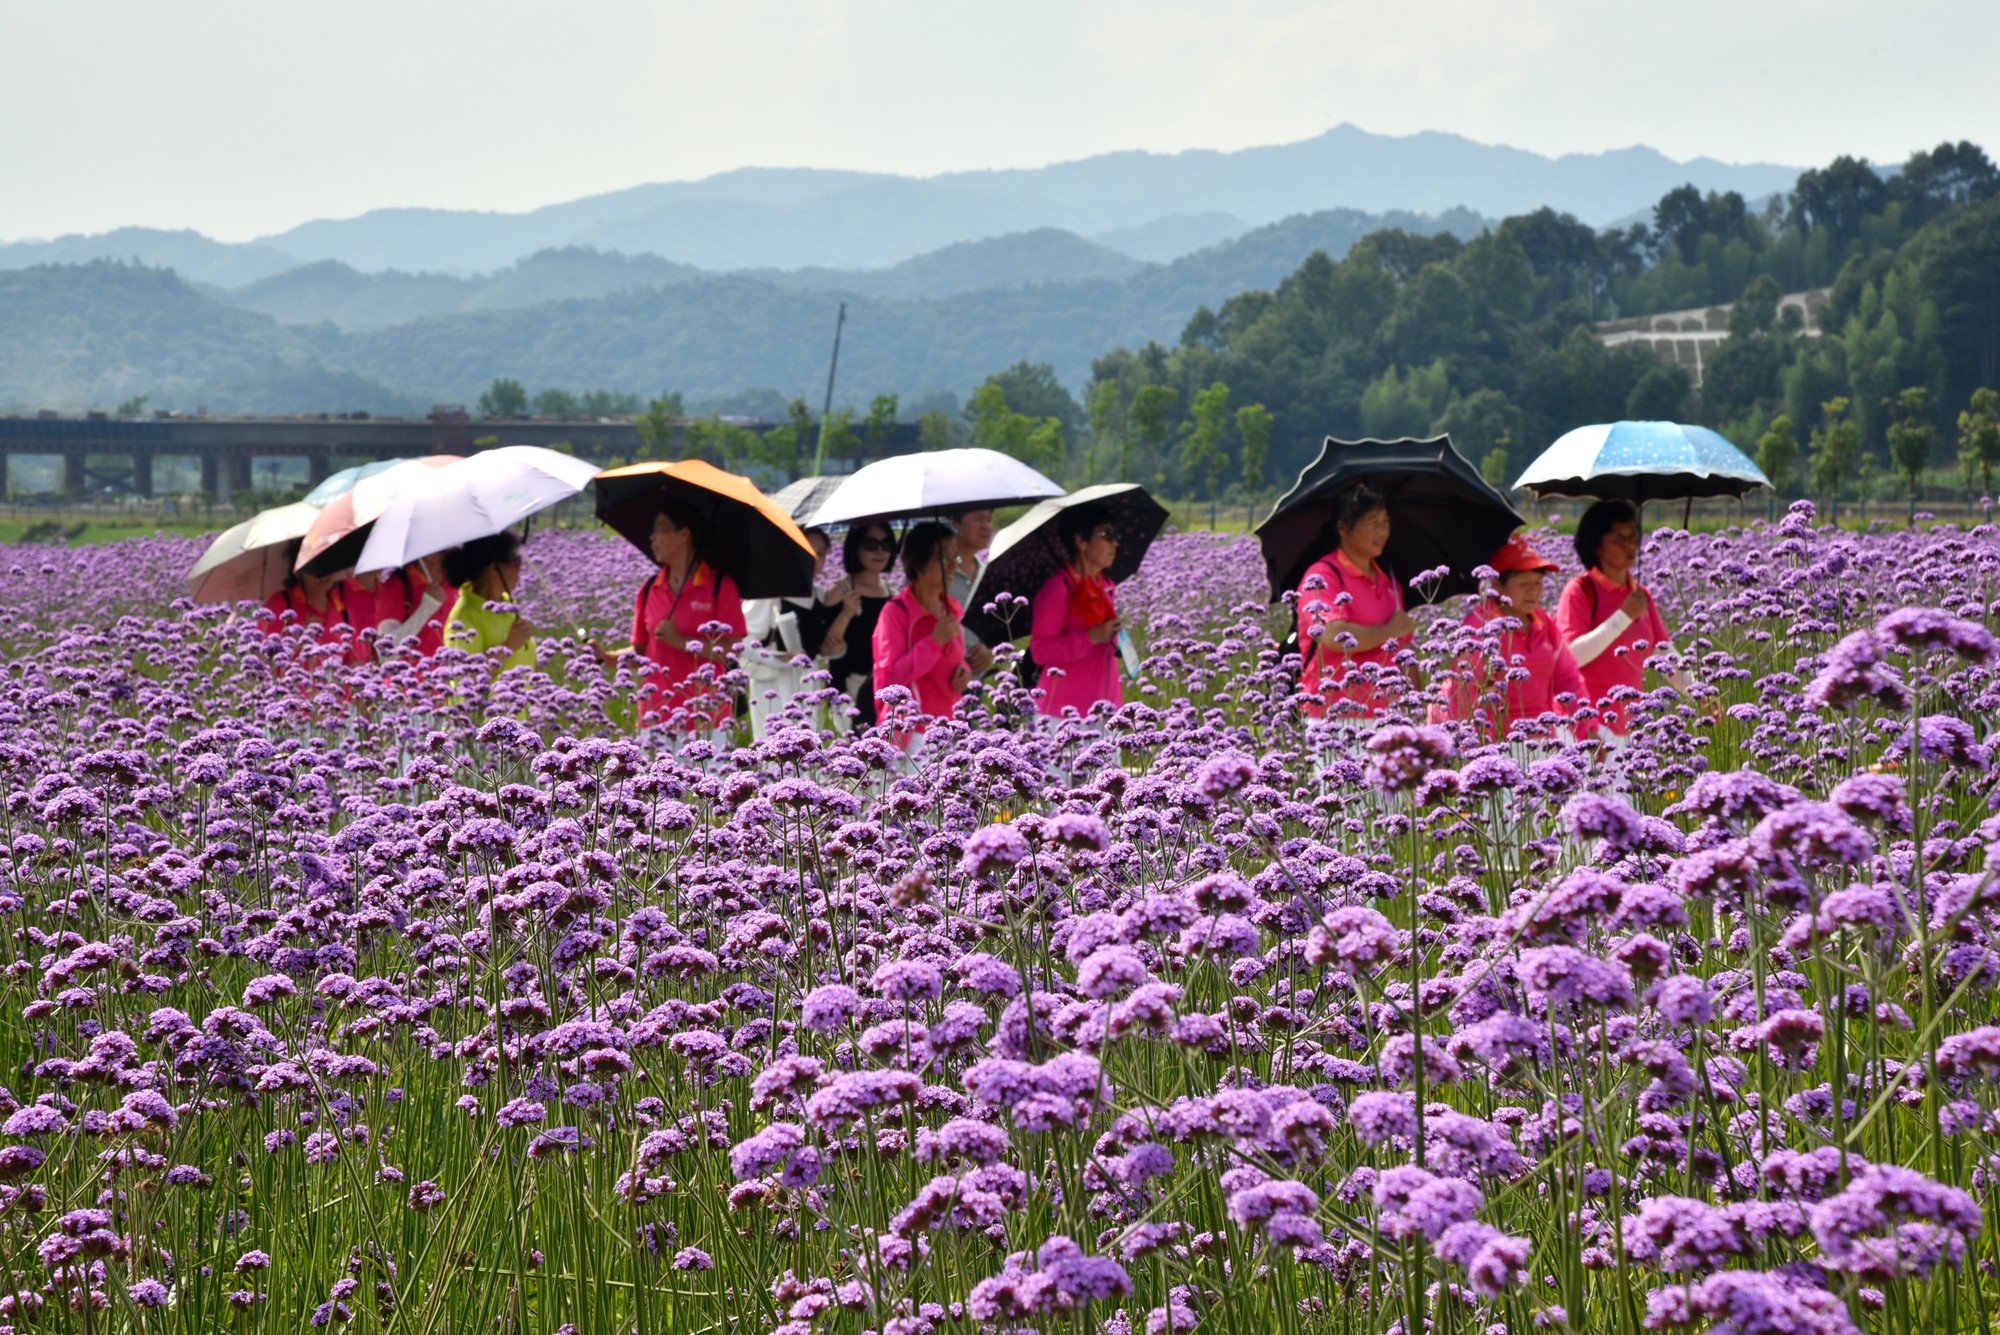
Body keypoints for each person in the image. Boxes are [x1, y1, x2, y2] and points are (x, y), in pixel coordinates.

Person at [1554, 499, 1705, 734]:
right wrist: (1623, 617)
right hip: (1584, 726)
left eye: (1634, 536)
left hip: (1630, 727)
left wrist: (1699, 693)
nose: (1630, 545)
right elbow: (1571, 656)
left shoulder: (1640, 595)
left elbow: (1663, 653)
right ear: (1596, 544)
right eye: (1620, 538)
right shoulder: (1580, 591)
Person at [615, 502, 746, 731]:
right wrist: (605, 657)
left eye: (661, 529)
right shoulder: (649, 588)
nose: (652, 537)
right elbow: (642, 652)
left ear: (684, 535)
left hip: (706, 718)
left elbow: (733, 651)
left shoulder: (720, 587)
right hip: (654, 716)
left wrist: (683, 642)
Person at [1295, 485, 1416, 719]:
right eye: (1373, 522)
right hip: (1331, 716)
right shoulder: (1322, 576)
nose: (1383, 531)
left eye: (1386, 521)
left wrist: (1416, 709)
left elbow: (1405, 652)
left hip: (1388, 714)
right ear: (1343, 528)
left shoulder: (1389, 582)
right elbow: (1333, 634)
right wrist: (1390, 630)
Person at [1448, 534, 1586, 738]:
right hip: (1496, 744)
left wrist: (1587, 729)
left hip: (1544, 741)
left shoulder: (1542, 620)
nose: (1534, 591)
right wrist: (1477, 747)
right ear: (1496, 585)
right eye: (1524, 584)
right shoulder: (1477, 628)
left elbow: (1567, 678)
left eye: (1538, 583)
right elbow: (1463, 696)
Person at [742, 527, 842, 736]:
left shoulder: (818, 594)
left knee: (808, 742)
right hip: (775, 684)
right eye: (807, 550)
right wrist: (778, 659)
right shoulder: (770, 592)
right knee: (774, 743)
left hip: (808, 682)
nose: (814, 559)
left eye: (821, 553)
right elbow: (743, 641)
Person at [1029, 503, 1124, 717]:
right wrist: (1091, 637)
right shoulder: (1058, 587)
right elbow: (1040, 651)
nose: (1114, 543)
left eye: (1114, 535)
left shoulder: (1107, 585)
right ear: (1081, 541)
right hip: (1063, 713)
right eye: (1105, 534)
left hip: (1106, 707)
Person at [873, 521, 970, 727]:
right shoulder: (896, 612)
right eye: (943, 557)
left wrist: (964, 670)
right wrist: (934, 643)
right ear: (918, 562)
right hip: (910, 730)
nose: (953, 566)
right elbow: (890, 678)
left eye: (955, 557)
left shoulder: (951, 608)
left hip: (950, 726)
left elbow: (955, 659)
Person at [822, 522, 897, 728]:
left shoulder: (890, 592)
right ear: (855, 547)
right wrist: (846, 613)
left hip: (883, 684)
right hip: (849, 687)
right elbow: (827, 646)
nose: (879, 552)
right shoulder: (839, 591)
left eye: (886, 545)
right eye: (870, 544)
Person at [443, 532, 535, 670]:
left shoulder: (508, 605)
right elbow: (465, 678)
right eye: (514, 560)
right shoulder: (463, 618)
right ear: (494, 568)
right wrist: (508, 646)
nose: (520, 566)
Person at [262, 549, 366, 665]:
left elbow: (354, 661)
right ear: (298, 572)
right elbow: (263, 658)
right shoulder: (281, 603)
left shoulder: (343, 610)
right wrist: (298, 638)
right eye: (314, 567)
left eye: (328, 566)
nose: (322, 574)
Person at [946, 507, 997, 675]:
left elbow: (995, 624)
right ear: (955, 524)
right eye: (978, 519)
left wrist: (989, 650)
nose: (986, 527)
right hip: (945, 678)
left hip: (977, 679)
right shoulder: (937, 575)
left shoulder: (986, 573)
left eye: (988, 520)